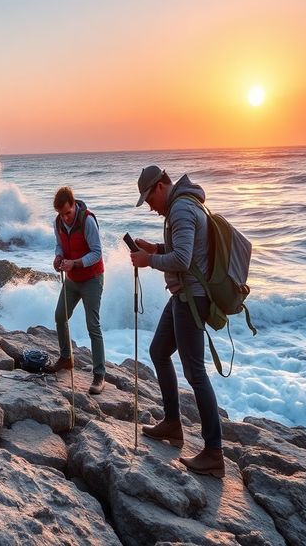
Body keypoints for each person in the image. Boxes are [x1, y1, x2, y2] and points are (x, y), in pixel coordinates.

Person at [129, 165, 225, 478]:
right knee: (158, 351)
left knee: (195, 372)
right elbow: (186, 250)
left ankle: (214, 452)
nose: (152, 208)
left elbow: (183, 260)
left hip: (191, 299)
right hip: (182, 297)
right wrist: (155, 248)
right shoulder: (184, 205)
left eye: (149, 199)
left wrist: (150, 261)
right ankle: (172, 423)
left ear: (160, 186)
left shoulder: (181, 209)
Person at [45, 186, 106, 395]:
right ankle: (66, 358)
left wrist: (76, 263)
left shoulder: (87, 220)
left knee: (93, 325)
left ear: (74, 205)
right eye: (62, 214)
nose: (66, 218)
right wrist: (58, 257)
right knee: (60, 315)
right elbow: (59, 245)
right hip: (72, 279)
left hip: (92, 279)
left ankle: (99, 375)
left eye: (68, 213)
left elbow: (97, 253)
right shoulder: (58, 222)